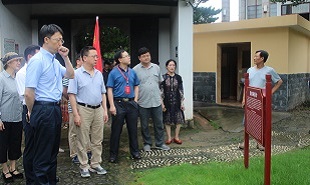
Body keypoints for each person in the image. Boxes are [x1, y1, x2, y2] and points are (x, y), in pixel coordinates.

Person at [24, 24, 74, 185]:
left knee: (52, 153)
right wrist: (32, 112)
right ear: (46, 39)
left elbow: (70, 74)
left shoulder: (53, 60)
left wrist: (66, 57)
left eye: (61, 39)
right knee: (43, 156)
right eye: (57, 40)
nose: (60, 43)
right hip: (42, 108)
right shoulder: (37, 61)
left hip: (54, 108)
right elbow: (28, 92)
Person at [68, 46, 108, 178]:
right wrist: (76, 114)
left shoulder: (99, 74)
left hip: (98, 109)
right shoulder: (76, 74)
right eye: (94, 56)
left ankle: (96, 163)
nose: (97, 59)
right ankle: (84, 165)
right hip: (83, 109)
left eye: (97, 56)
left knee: (97, 139)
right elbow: (72, 95)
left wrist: (105, 110)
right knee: (82, 139)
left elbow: (103, 93)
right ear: (84, 58)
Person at [239, 50, 283, 151]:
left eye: (256, 56)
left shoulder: (269, 70)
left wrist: (270, 92)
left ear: (262, 58)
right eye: (254, 56)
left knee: (261, 120)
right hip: (250, 98)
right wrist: (244, 99)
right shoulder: (250, 70)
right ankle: (245, 142)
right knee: (247, 120)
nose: (254, 58)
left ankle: (260, 143)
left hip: (261, 100)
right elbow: (246, 85)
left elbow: (279, 81)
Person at [133, 47, 170, 152]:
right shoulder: (135, 70)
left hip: (156, 101)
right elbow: (134, 86)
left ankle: (160, 143)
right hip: (142, 101)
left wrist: (162, 101)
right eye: (143, 56)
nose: (146, 58)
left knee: (159, 123)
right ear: (139, 58)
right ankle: (147, 143)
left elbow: (159, 84)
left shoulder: (156, 68)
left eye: (148, 55)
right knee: (144, 125)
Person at [107, 50, 141, 163]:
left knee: (133, 129)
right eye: (126, 56)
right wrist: (112, 105)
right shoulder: (113, 73)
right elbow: (109, 89)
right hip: (118, 103)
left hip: (131, 103)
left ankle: (135, 152)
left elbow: (136, 85)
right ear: (120, 59)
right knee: (116, 130)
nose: (129, 57)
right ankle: (113, 154)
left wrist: (135, 100)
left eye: (128, 55)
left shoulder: (132, 72)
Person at [16, 45, 40, 184]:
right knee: (30, 145)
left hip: (41, 108)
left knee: (41, 144)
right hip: (29, 109)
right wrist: (31, 111)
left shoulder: (38, 71)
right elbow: (25, 95)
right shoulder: (22, 73)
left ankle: (40, 174)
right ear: (30, 57)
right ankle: (31, 178)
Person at [0, 52, 24, 183]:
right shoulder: (1, 78)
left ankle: (13, 167)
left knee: (15, 143)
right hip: (4, 118)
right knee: (3, 144)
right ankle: (4, 169)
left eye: (19, 61)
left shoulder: (18, 78)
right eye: (16, 61)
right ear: (9, 63)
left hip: (17, 117)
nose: (19, 63)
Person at [161, 59, 185, 145]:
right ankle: (169, 138)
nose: (172, 67)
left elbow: (181, 90)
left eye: (173, 65)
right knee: (167, 120)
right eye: (170, 65)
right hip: (167, 101)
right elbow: (161, 91)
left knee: (178, 119)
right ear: (166, 67)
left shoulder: (178, 77)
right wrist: (162, 103)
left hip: (177, 101)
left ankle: (177, 137)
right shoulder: (163, 77)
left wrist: (182, 102)